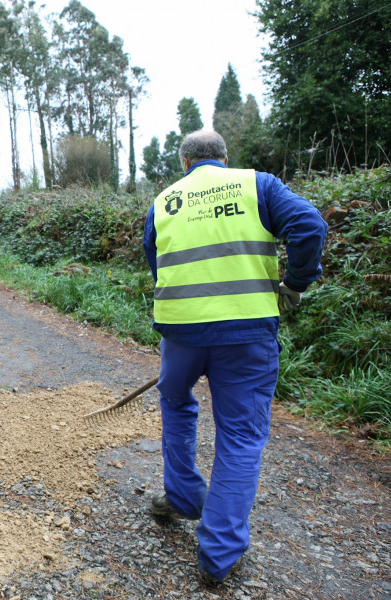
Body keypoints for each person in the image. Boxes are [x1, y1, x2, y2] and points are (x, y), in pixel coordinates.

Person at [142, 130, 327, 583]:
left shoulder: (164, 201)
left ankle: (183, 497)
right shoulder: (257, 185)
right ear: (225, 158)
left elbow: (155, 257)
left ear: (185, 162)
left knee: (175, 403)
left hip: (180, 333)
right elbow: (310, 226)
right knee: (241, 436)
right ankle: (218, 557)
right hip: (246, 332)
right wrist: (295, 285)